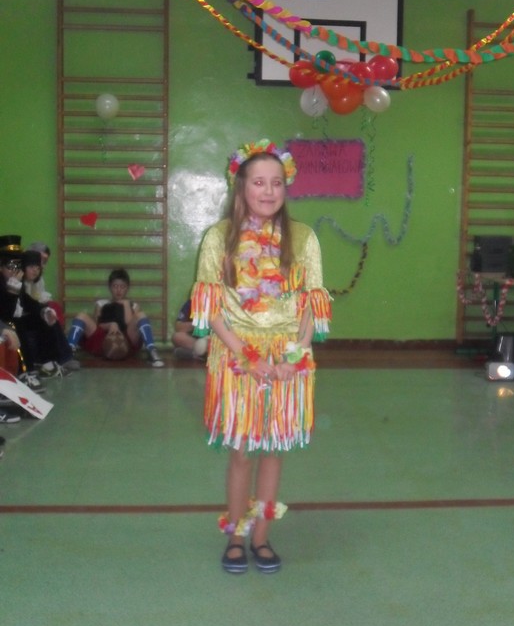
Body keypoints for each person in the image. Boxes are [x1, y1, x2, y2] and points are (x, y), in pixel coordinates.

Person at [191, 138, 332, 574]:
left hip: (288, 357)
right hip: (237, 356)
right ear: (241, 187)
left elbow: (312, 304)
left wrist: (295, 355)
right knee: (241, 452)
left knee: (274, 449)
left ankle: (262, 538)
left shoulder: (303, 238)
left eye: (276, 182)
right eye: (258, 182)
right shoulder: (218, 238)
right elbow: (211, 309)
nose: (268, 191)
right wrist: (246, 356)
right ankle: (236, 536)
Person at [0, 240, 73, 383]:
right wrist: (13, 290)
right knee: (17, 325)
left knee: (43, 319)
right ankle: (25, 371)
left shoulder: (15, 280)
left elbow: (26, 301)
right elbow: (6, 313)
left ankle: (47, 363)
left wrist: (44, 311)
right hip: (5, 321)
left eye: (17, 266)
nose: (14, 270)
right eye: (10, 266)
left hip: (12, 318)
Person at [66, 268, 165, 368]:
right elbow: (97, 326)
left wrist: (126, 304)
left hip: (125, 343)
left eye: (122, 287)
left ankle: (152, 353)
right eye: (115, 286)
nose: (119, 290)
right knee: (82, 316)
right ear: (110, 287)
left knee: (141, 315)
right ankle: (68, 354)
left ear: (127, 288)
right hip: (102, 341)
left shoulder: (133, 305)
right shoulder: (101, 304)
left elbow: (128, 323)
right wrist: (111, 325)